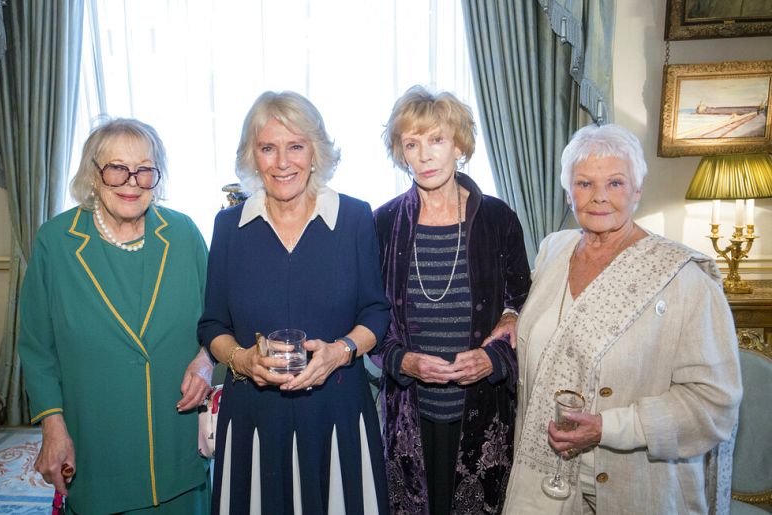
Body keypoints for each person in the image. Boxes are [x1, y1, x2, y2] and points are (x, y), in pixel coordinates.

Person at [503, 123, 742, 514]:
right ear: (568, 192)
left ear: (637, 191)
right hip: (545, 486)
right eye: (584, 183)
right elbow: (545, 324)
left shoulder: (683, 279)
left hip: (636, 486)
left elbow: (713, 405)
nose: (599, 197)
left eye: (615, 183)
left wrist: (608, 428)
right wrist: (512, 316)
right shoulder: (553, 251)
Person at [197, 91, 391, 514]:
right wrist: (242, 360)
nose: (282, 162)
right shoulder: (229, 227)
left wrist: (340, 353)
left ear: (316, 152)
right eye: (268, 148)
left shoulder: (355, 218)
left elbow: (376, 312)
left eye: (295, 146)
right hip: (253, 416)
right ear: (253, 156)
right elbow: (212, 325)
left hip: (336, 411)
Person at [18, 118, 213, 513]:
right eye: (117, 168)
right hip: (97, 447)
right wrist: (52, 426)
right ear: (93, 175)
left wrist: (207, 358)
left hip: (175, 445)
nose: (132, 181)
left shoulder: (183, 234)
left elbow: (217, 322)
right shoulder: (56, 242)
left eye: (144, 169)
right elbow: (37, 348)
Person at [373, 85, 531, 514]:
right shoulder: (383, 223)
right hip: (410, 412)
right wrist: (401, 361)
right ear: (401, 152)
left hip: (482, 413)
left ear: (458, 145)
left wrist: (495, 356)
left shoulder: (498, 218)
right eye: (412, 143)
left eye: (436, 140)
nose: (424, 155)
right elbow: (368, 317)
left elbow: (525, 306)